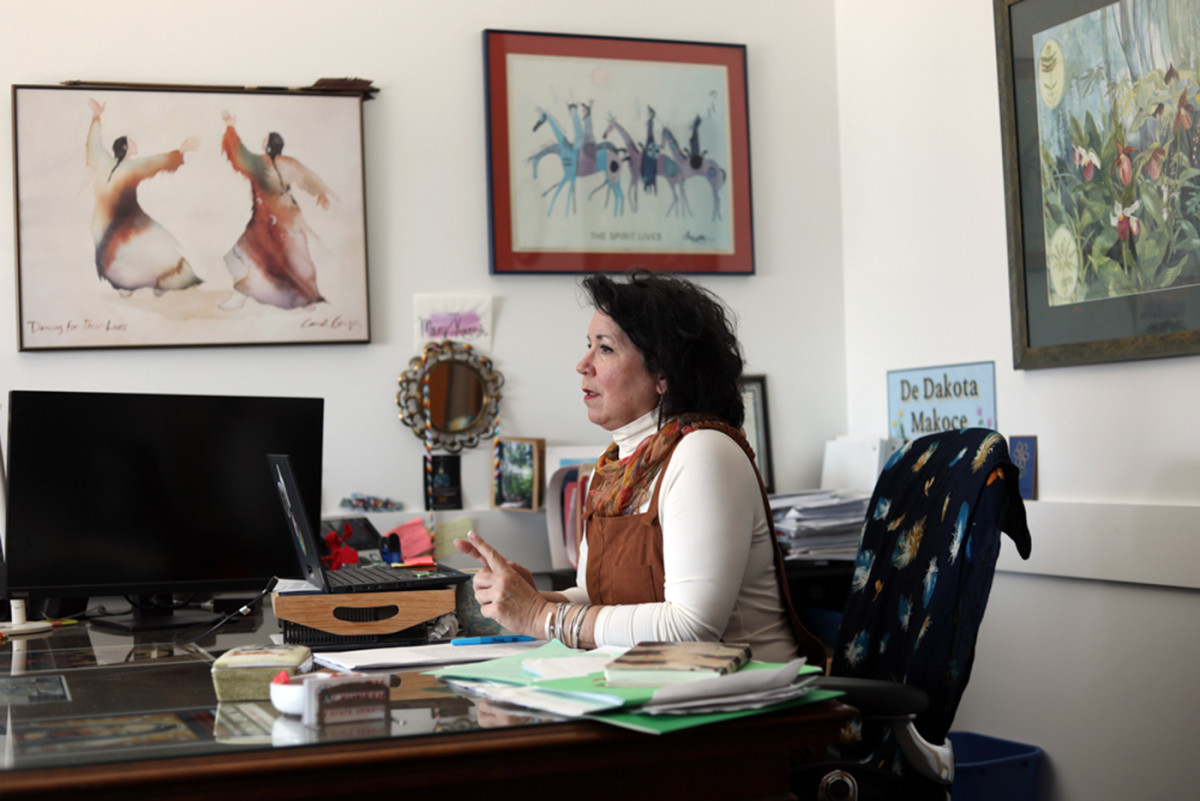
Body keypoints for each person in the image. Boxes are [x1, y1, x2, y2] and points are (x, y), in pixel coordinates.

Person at [455, 270, 826, 666]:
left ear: (663, 373)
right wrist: (538, 599)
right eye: (588, 346)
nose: (583, 364)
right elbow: (602, 604)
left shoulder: (704, 452)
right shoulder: (615, 467)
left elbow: (690, 630)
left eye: (606, 349)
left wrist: (543, 617)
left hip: (750, 703)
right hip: (658, 689)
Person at [86, 98, 202, 296]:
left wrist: (96, 117)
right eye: (131, 142)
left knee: (125, 252)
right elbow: (155, 163)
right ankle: (158, 281)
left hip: (103, 222)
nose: (134, 143)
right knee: (154, 244)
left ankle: (142, 284)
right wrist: (180, 152)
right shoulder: (129, 168)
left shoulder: (102, 162)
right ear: (124, 149)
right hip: (125, 222)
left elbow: (93, 144)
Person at [219, 110, 333, 310]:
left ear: (269, 145)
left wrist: (230, 127)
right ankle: (303, 300)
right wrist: (320, 193)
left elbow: (239, 154)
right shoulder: (288, 163)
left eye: (265, 140)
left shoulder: (260, 163)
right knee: (293, 261)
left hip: (267, 222)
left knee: (249, 256)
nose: (262, 141)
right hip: (289, 219)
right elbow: (307, 177)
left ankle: (242, 297)